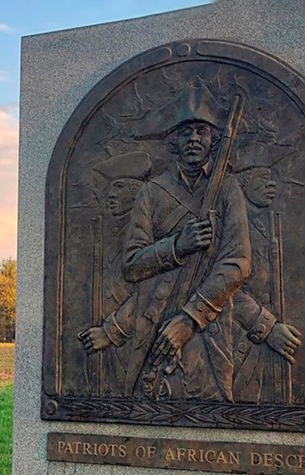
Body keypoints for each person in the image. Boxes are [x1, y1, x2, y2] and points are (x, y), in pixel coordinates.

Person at [122, 84, 251, 402]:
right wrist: (177, 246)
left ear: (213, 140)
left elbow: (238, 261)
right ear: (173, 142)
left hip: (209, 330)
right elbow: (131, 266)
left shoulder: (228, 188)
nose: (194, 138)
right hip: (153, 327)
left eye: (201, 131)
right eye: (185, 132)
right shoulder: (151, 193)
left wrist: (189, 319)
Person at [231, 141, 302, 403]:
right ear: (242, 181)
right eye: (263, 177)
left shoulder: (266, 226)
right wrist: (267, 327)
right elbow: (216, 285)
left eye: (273, 179)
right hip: (235, 344)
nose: (272, 185)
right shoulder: (225, 227)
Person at [78, 151, 150, 395]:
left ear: (136, 190)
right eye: (109, 188)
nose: (110, 194)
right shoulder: (107, 235)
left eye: (118, 187)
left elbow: (154, 290)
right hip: (108, 348)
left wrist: (113, 330)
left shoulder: (150, 235)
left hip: (135, 337)